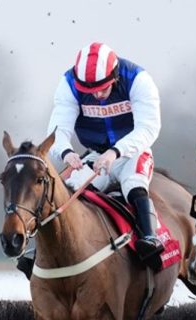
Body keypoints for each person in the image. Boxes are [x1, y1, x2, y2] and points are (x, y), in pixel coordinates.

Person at [19, 42, 163, 276]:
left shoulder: (138, 80)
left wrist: (115, 152)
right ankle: (40, 252)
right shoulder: (68, 84)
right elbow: (58, 130)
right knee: (67, 191)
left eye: (102, 89)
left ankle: (150, 238)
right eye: (89, 91)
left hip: (133, 152)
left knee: (133, 185)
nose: (97, 95)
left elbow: (148, 128)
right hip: (96, 155)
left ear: (115, 76)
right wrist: (67, 153)